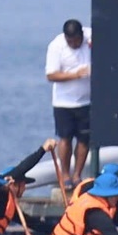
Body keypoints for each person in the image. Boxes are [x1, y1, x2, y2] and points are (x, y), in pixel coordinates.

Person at [45, 19, 92, 181]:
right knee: (65, 138)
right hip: (64, 102)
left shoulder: (89, 36)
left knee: (84, 139)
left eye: (76, 41)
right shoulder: (56, 46)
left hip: (86, 101)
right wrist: (75, 75)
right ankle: (65, 175)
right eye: (70, 41)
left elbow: (106, 34)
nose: (73, 44)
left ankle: (77, 175)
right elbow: (51, 75)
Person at [0, 145, 46, 235]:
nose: (25, 189)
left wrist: (57, 229)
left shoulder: (8, 204)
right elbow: (21, 168)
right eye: (23, 185)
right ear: (14, 185)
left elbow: (32, 223)